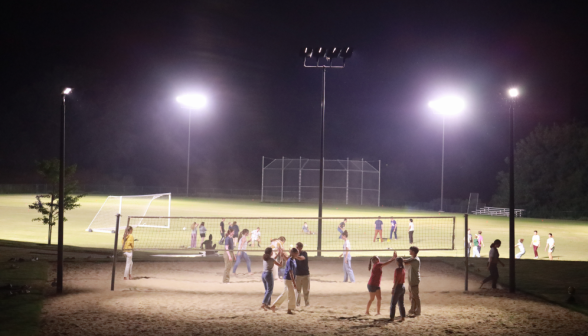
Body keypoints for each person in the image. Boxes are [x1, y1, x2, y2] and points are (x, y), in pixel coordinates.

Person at [270, 248, 299, 314]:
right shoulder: (290, 261)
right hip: (288, 279)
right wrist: (294, 282)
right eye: (296, 253)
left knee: (285, 294)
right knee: (292, 294)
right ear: (293, 253)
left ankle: (274, 306)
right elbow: (290, 272)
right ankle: (289, 309)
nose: (298, 254)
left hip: (289, 279)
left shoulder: (293, 260)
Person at [394, 246, 420, 317]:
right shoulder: (413, 259)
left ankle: (418, 310)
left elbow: (405, 262)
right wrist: (398, 258)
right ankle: (413, 309)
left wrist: (397, 258)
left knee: (415, 296)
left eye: (410, 251)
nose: (409, 251)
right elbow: (405, 261)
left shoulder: (415, 260)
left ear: (413, 252)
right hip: (411, 280)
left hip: (414, 280)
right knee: (411, 296)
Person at [390, 257, 406, 322]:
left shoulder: (397, 270)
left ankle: (392, 318)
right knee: (401, 303)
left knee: (393, 303)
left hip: (398, 287)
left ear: (397, 262)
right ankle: (403, 317)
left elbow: (396, 280)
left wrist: (393, 288)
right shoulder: (403, 269)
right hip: (402, 286)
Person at [295, 242, 310, 307]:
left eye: (297, 247)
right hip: (297, 275)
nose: (296, 249)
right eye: (296, 247)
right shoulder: (294, 255)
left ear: (301, 248)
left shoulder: (304, 253)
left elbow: (302, 258)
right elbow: (288, 258)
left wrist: (295, 256)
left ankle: (307, 304)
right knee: (298, 291)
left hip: (305, 275)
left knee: (306, 291)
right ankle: (297, 304)